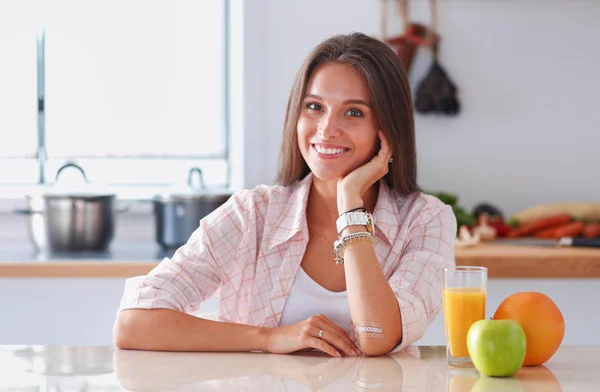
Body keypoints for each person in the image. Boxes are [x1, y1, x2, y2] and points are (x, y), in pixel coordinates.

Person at [113, 32, 457, 357]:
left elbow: (376, 335)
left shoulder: (425, 220)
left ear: (387, 128)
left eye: (354, 112)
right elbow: (133, 324)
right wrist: (271, 338)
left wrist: (349, 202)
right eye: (314, 107)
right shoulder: (253, 215)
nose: (327, 129)